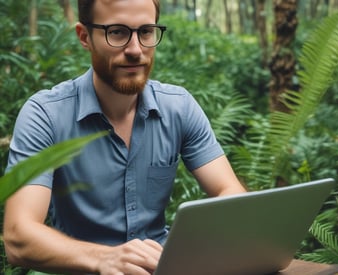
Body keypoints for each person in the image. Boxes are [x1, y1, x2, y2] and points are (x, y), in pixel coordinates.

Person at [3, 0, 247, 274]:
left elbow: (232, 194)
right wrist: (105, 259)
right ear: (85, 37)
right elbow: (18, 237)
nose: (135, 49)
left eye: (145, 32)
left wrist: (194, 250)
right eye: (117, 32)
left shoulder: (179, 107)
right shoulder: (46, 115)